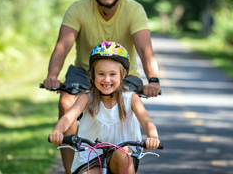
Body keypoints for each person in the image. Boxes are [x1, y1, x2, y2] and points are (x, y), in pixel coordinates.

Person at [43, 0, 161, 173]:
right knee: (67, 103)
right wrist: (52, 76)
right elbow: (62, 46)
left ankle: (122, 154)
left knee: (124, 103)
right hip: (84, 70)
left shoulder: (134, 10)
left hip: (123, 73)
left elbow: (145, 50)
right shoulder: (79, 9)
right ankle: (74, 169)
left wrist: (153, 79)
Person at [49, 42, 161, 174]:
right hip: (90, 155)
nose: (106, 79)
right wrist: (57, 131)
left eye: (112, 74)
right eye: (101, 74)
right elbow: (68, 117)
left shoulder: (131, 99)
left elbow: (146, 121)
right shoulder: (86, 97)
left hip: (122, 156)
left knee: (122, 153)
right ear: (92, 74)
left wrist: (152, 137)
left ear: (123, 74)